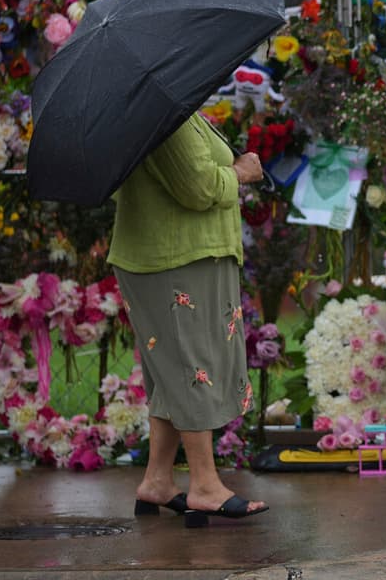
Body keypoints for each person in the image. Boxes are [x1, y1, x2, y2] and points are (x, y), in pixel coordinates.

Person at [108, 112, 269, 527]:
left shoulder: (176, 111)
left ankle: (158, 481)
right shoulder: (165, 119)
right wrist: (241, 172)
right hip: (174, 260)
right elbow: (199, 187)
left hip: (187, 255)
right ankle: (205, 486)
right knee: (194, 369)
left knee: (174, 373)